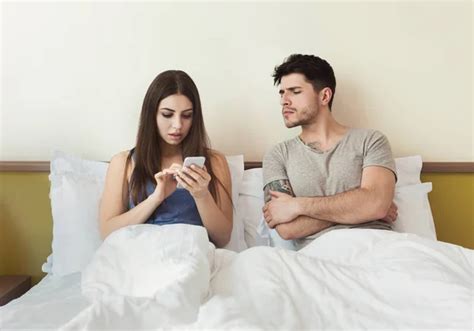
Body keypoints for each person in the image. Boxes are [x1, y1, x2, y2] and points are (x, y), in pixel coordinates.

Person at [262, 54, 398, 250]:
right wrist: (360, 208)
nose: (284, 101)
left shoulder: (371, 141)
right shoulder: (278, 155)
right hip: (318, 257)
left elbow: (376, 204)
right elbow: (287, 229)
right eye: (282, 93)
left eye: (295, 91)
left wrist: (297, 205)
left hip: (377, 247)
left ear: (324, 96)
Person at [99, 70, 233, 248]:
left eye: (187, 115)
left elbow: (223, 238)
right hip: (140, 254)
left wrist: (202, 195)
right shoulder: (124, 163)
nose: (178, 125)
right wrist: (156, 197)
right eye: (167, 114)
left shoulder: (215, 162)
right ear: (151, 115)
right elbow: (107, 233)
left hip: (192, 253)